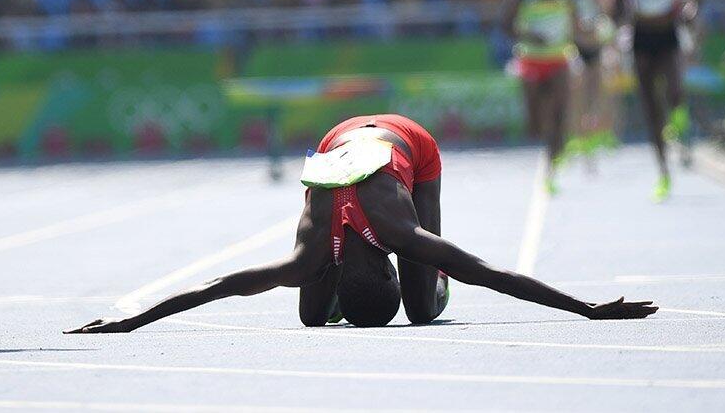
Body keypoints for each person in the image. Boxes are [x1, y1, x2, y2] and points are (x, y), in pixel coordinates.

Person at [67, 114, 656, 333]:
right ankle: (425, 275)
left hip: (408, 148)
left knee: (424, 307)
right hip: (346, 147)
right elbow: (493, 273)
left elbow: (482, 272)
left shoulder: (398, 233)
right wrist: (586, 309)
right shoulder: (325, 254)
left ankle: (430, 278)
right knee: (309, 317)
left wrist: (588, 310)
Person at [612, 0, 702, 201]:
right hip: (641, 38)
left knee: (675, 89)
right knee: (651, 108)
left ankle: (680, 122)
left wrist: (689, 10)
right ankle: (663, 171)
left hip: (668, 33)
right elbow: (616, 11)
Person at [501, 0, 577, 193]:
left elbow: (575, 18)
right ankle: (549, 149)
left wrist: (581, 34)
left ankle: (553, 164)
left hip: (558, 57)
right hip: (531, 60)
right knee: (534, 121)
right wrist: (529, 35)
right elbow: (506, 25)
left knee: (559, 113)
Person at [569, 0, 617, 160]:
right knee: (578, 88)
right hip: (576, 44)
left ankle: (599, 133)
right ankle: (578, 136)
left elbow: (606, 11)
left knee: (599, 90)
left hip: (596, 43)